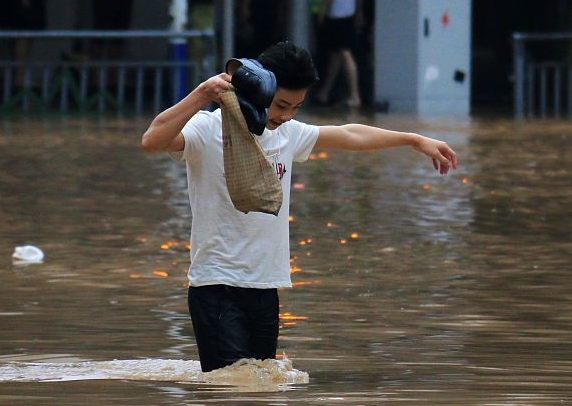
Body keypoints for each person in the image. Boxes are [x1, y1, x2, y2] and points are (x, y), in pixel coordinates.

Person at [139, 41, 458, 373]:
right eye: (280, 105)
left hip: (266, 286)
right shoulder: (207, 129)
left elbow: (349, 134)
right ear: (257, 90)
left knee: (260, 395)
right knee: (229, 395)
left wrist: (414, 140)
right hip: (217, 286)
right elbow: (152, 141)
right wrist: (202, 94)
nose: (286, 116)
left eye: (296, 107)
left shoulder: (287, 135)